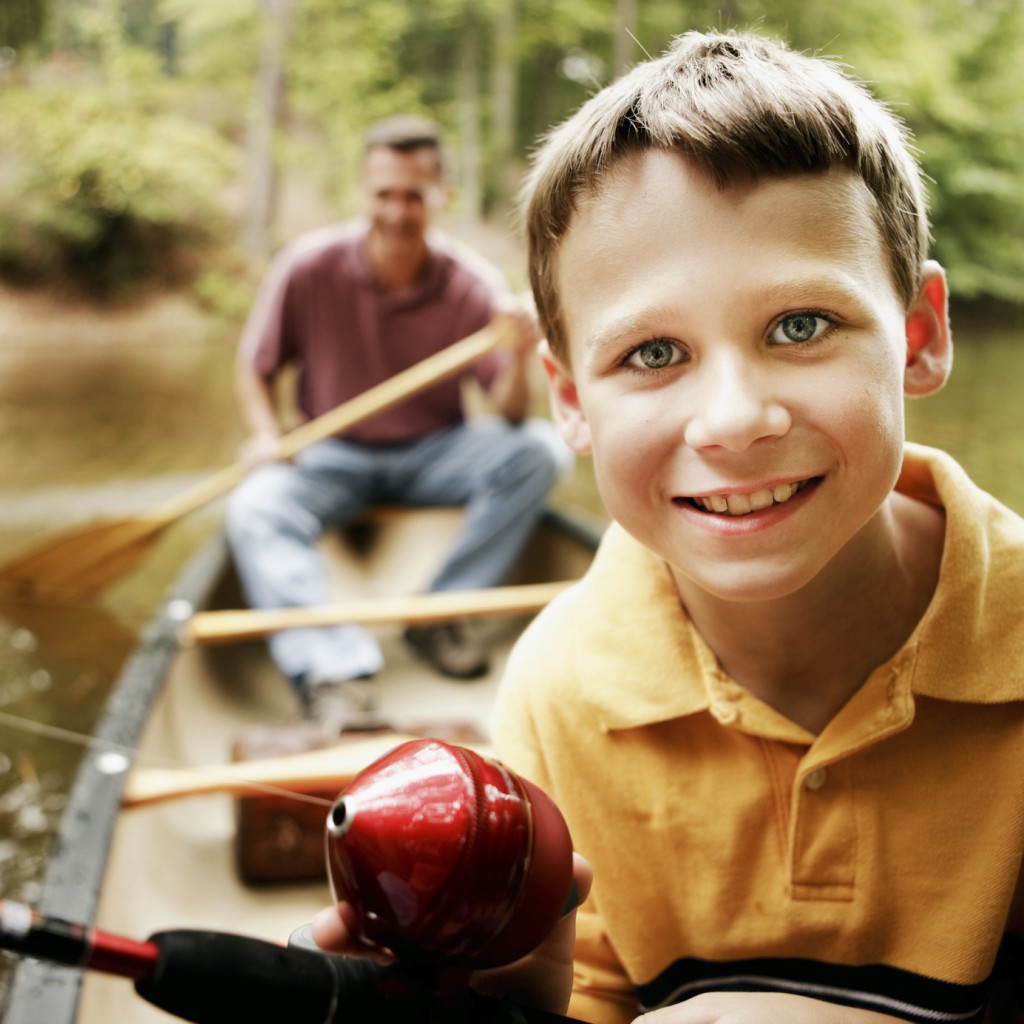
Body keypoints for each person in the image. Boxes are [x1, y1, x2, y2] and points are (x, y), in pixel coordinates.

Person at [311, 30, 1024, 1024]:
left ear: (918, 334)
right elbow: (591, 991)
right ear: (567, 400)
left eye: (801, 326)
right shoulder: (560, 691)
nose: (733, 420)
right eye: (652, 352)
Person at [225, 114, 565, 731]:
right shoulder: (308, 267)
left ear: (441, 198)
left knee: (541, 451)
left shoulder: (472, 285)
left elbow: (511, 414)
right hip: (330, 452)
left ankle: (437, 617)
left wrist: (516, 354)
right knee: (255, 508)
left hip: (434, 451)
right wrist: (265, 434)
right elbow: (255, 367)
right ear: (364, 193)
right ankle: (335, 674)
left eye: (414, 195)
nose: (398, 210)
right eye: (385, 193)